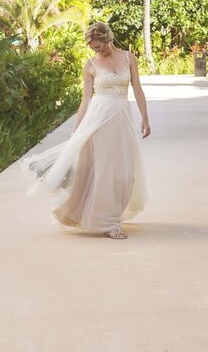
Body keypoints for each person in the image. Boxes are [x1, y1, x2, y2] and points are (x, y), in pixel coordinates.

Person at [21, 22, 150, 239]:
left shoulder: (129, 58)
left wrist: (145, 117)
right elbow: (85, 101)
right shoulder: (90, 65)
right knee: (103, 172)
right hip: (98, 120)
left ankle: (107, 216)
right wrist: (77, 129)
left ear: (108, 39)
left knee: (126, 174)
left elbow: (137, 88)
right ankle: (110, 223)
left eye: (98, 46)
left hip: (122, 118)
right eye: (92, 48)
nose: (96, 50)